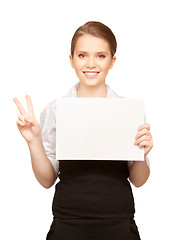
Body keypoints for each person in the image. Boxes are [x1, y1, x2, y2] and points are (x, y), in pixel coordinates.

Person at [13, 21, 153, 240]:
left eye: (100, 56)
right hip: (68, 223)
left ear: (112, 61)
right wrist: (33, 140)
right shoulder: (56, 109)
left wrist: (143, 155)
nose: (91, 63)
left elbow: (138, 179)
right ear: (71, 60)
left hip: (118, 223)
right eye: (82, 55)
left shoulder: (128, 111)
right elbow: (47, 180)